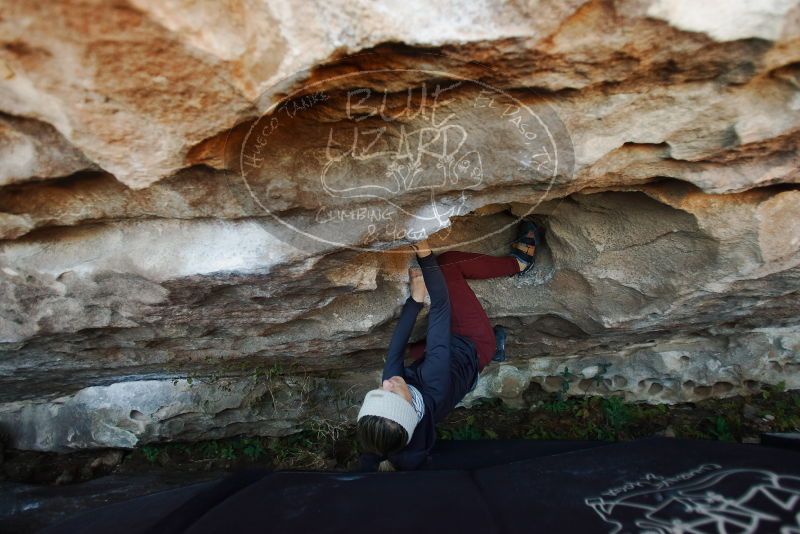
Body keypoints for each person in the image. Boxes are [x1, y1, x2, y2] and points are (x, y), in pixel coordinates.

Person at [357, 220, 545, 471]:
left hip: (447, 363)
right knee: (448, 264)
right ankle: (519, 264)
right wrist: (424, 253)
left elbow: (397, 345)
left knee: (414, 350)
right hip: (472, 343)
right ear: (411, 407)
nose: (386, 384)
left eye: (378, 393)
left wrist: (414, 301)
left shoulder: (394, 418)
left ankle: (484, 357)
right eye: (391, 393)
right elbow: (441, 308)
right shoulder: (434, 384)